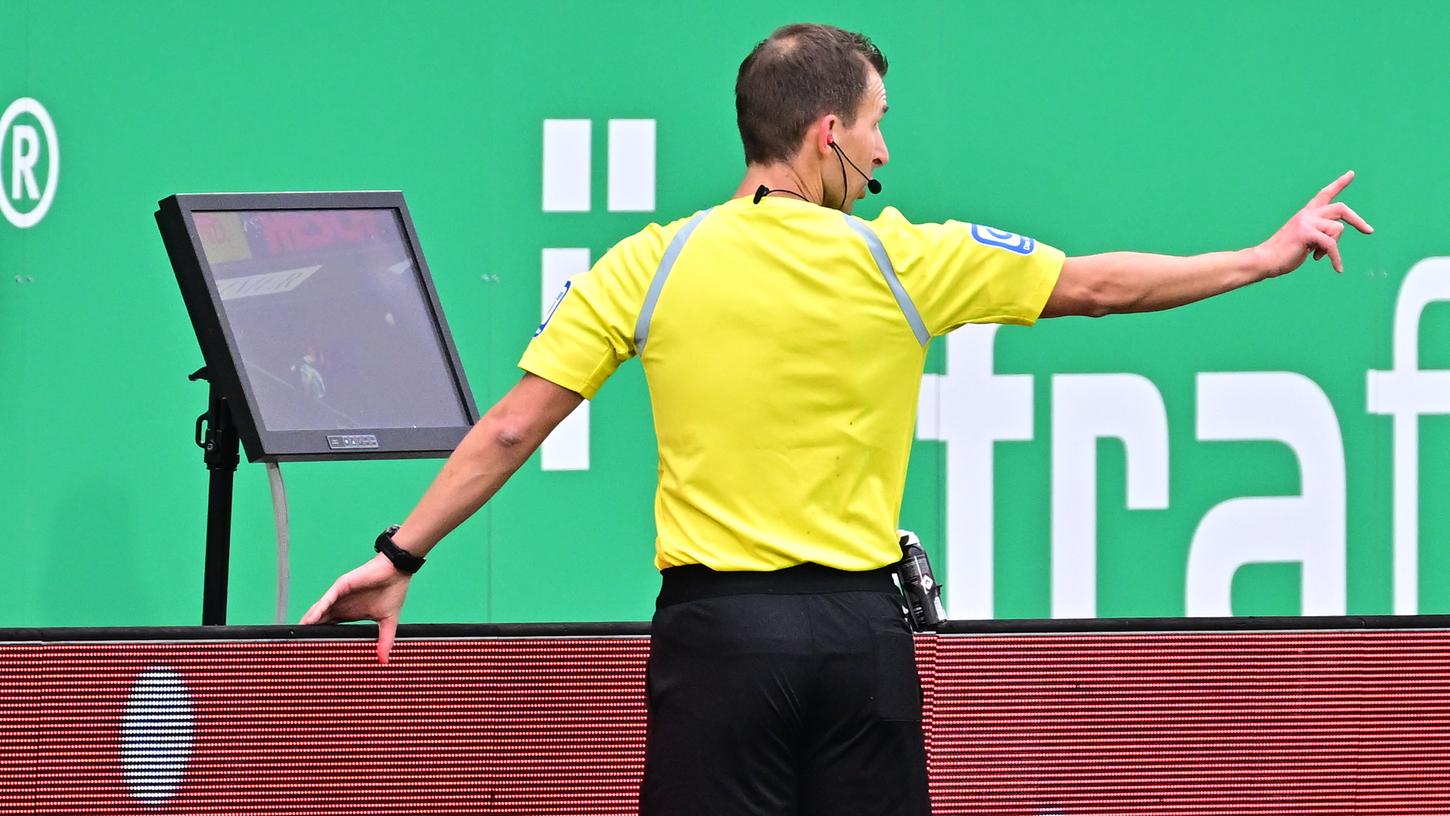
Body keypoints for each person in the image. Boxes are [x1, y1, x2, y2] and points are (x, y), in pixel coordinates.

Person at [301, 22, 1372, 816]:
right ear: (829, 136)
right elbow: (1098, 286)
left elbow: (508, 430)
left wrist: (402, 552)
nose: (886, 154)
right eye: (876, 128)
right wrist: (1261, 257)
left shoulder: (650, 263)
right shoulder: (900, 260)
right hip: (859, 648)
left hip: (718, 647)